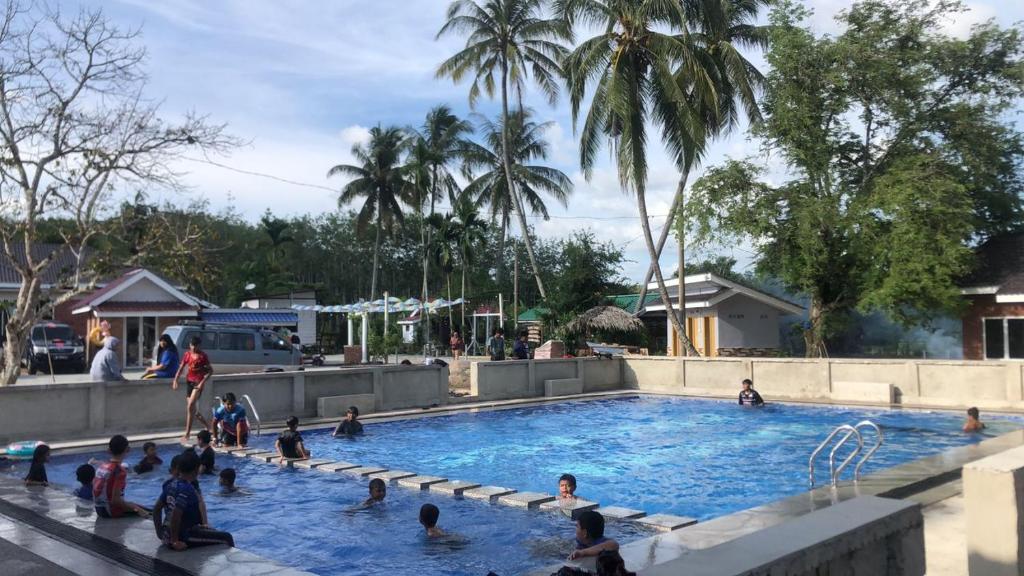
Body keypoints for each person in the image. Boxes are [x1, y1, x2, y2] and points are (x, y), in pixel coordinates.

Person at [155, 451, 234, 550]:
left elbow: (157, 509)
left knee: (210, 532)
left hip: (168, 534)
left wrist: (160, 533)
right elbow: (176, 514)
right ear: (195, 471)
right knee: (227, 538)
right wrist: (175, 541)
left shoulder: (170, 485)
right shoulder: (187, 489)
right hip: (185, 536)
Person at [93, 435, 151, 518]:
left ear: (109, 450)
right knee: (147, 512)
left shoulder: (102, 467)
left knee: (137, 506)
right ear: (127, 449)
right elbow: (115, 501)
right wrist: (137, 509)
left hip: (99, 509)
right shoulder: (120, 471)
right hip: (110, 511)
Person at [172, 336, 213, 444]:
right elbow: (181, 367)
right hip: (189, 382)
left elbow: (210, 371)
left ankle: (187, 433)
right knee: (193, 412)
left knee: (190, 406)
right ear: (190, 345)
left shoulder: (203, 356)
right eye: (192, 345)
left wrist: (202, 382)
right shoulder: (187, 354)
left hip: (198, 383)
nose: (194, 348)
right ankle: (208, 426)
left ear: (199, 345)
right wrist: (175, 380)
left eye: (196, 345)